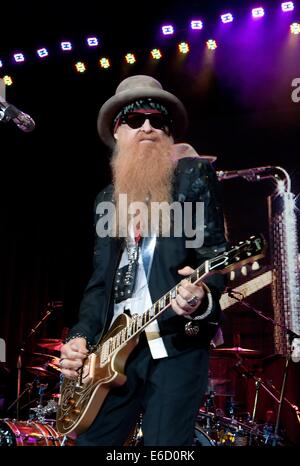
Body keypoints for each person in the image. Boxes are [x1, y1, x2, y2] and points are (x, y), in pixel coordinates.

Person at [59, 75, 227, 446]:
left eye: (158, 120)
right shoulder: (107, 198)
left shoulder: (191, 177)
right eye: (136, 120)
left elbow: (213, 258)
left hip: (173, 341)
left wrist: (199, 297)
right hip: (115, 350)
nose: (148, 126)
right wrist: (81, 338)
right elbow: (99, 284)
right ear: (117, 132)